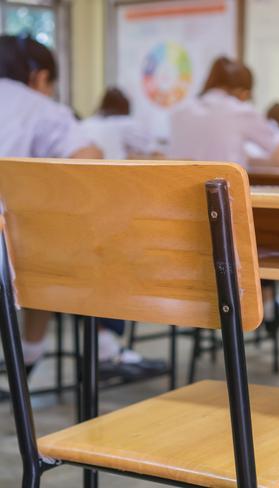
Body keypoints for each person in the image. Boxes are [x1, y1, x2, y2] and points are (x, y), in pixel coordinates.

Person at [0, 35, 164, 379]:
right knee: (68, 241)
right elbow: (88, 161)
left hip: (18, 253)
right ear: (40, 77)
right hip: (14, 254)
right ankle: (104, 349)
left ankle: (34, 353)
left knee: (42, 244)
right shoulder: (39, 108)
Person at [168, 57, 279, 168]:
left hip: (177, 196)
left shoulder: (180, 110)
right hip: (221, 196)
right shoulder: (239, 111)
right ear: (243, 93)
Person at [81, 87, 157, 159]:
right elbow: (153, 151)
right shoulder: (126, 123)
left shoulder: (86, 123)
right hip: (116, 169)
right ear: (126, 106)